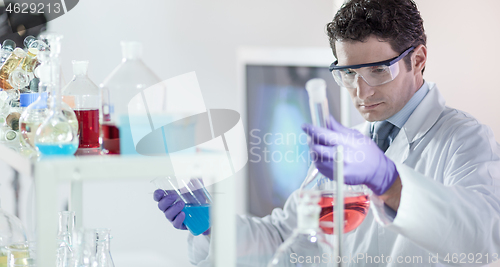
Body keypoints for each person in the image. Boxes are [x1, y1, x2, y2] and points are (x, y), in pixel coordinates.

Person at [154, 0, 500, 266]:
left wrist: (389, 180)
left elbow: (484, 237)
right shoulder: (349, 146)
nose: (361, 92)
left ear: (419, 59)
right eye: (348, 73)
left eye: (379, 70)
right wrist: (214, 225)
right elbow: (286, 240)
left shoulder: (465, 140)